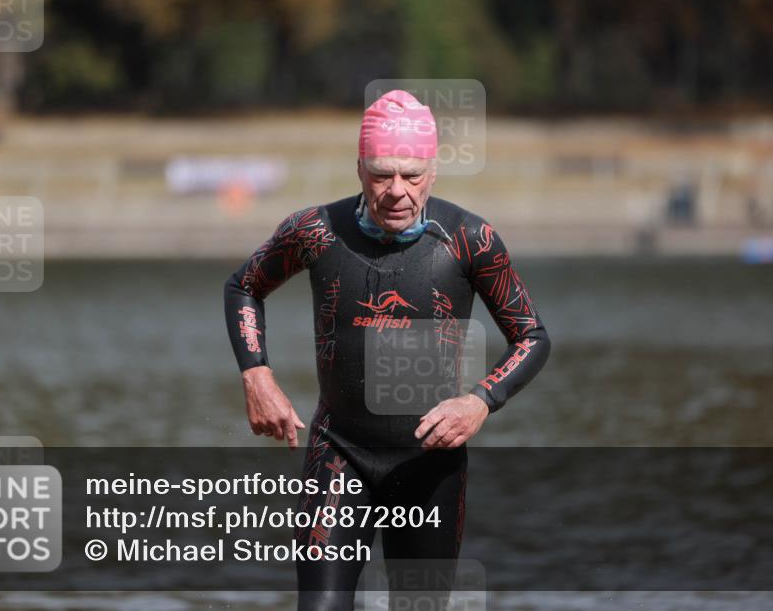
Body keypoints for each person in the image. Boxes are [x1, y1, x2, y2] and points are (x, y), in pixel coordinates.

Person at [224, 89, 550, 610]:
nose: (397, 190)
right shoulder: (315, 231)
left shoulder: (470, 240)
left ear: (433, 171)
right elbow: (244, 286)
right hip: (339, 453)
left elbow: (531, 336)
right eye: (381, 174)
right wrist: (257, 375)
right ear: (359, 169)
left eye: (411, 175)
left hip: (430, 463)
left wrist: (480, 400)